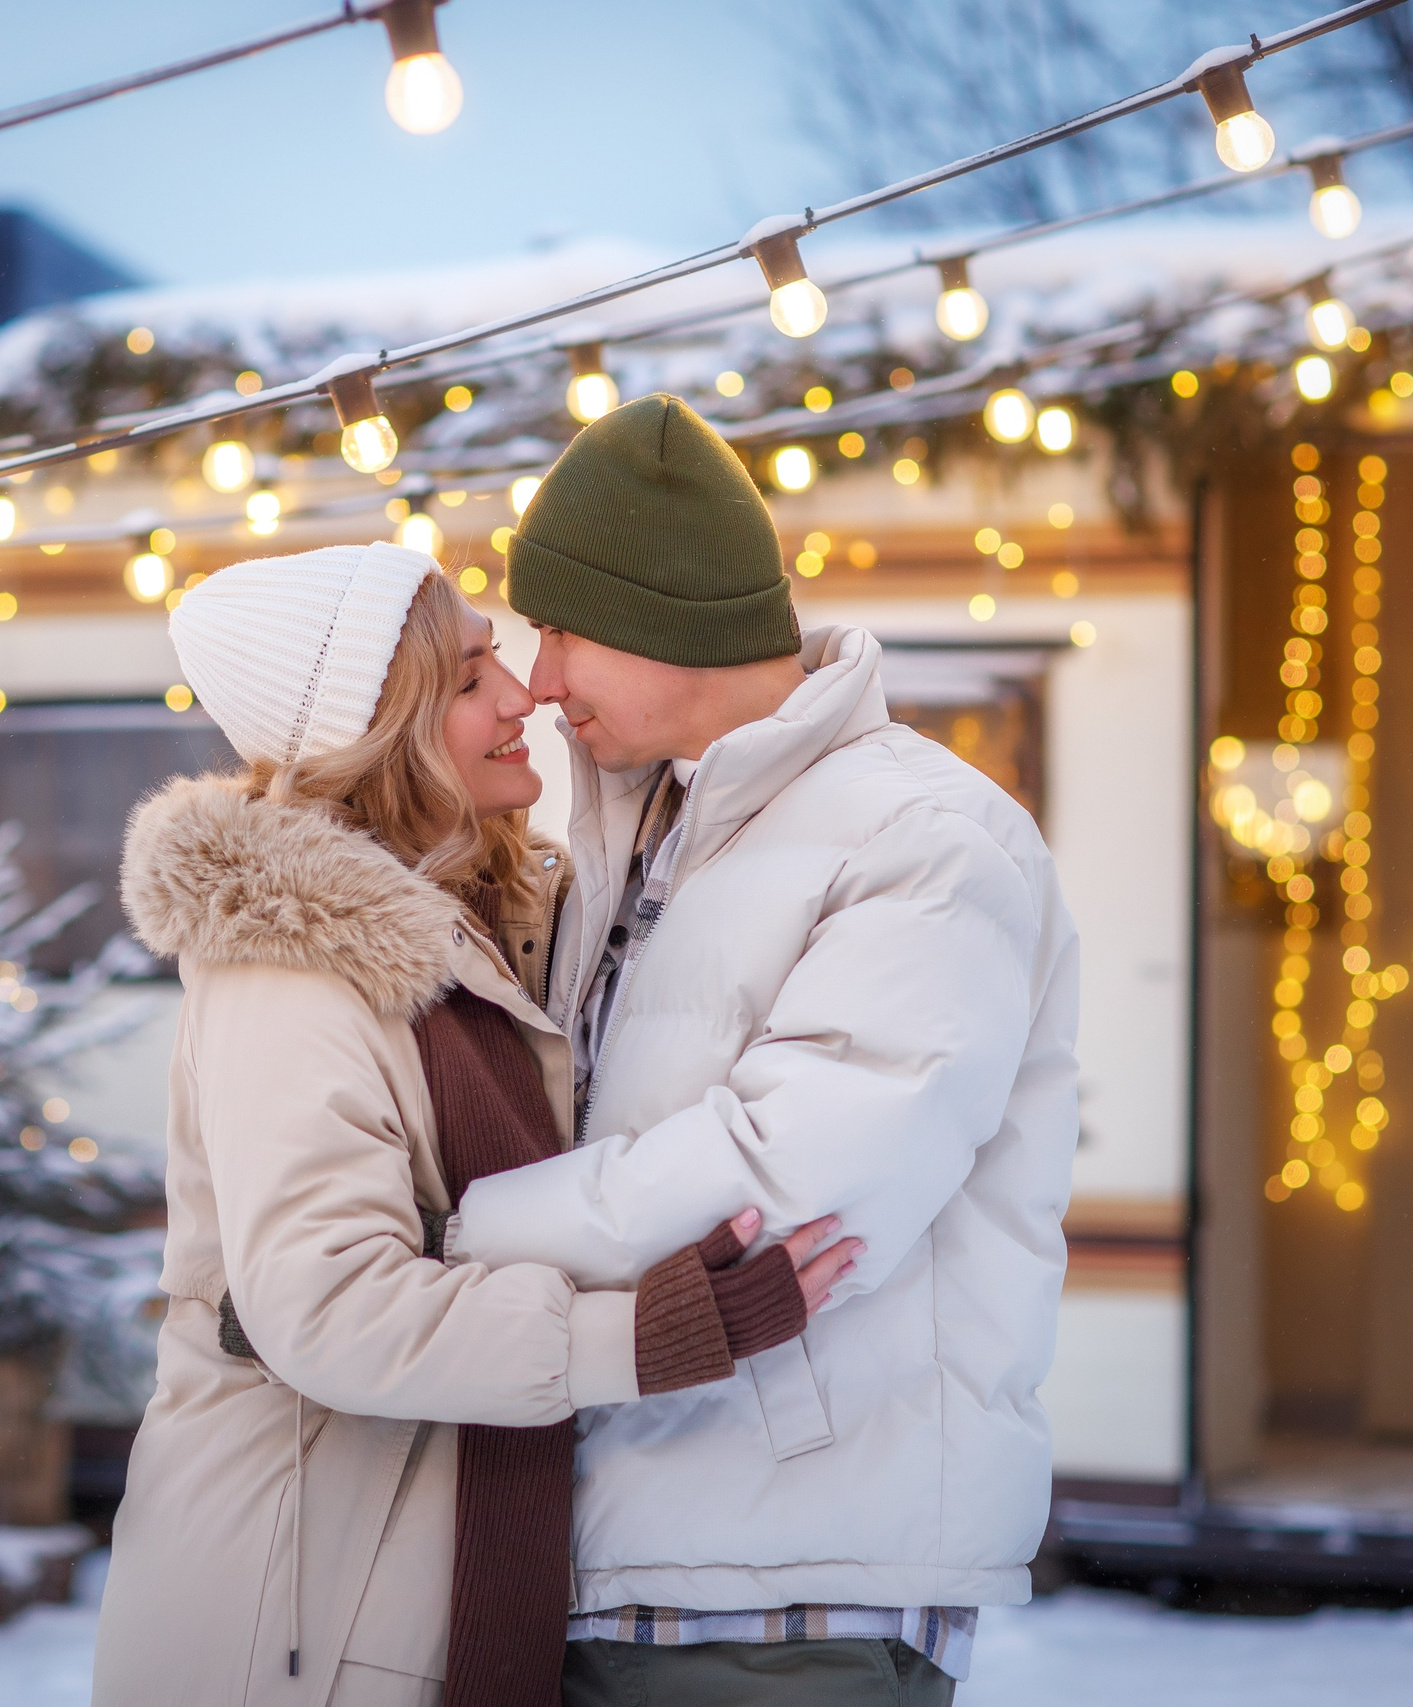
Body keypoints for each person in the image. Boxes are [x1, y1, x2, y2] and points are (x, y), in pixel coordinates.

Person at [92, 541, 859, 1707]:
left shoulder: (488, 928)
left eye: (496, 657)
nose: (520, 698)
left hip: (411, 1584)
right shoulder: (288, 970)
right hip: (296, 1619)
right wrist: (642, 1337)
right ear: (375, 735)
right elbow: (327, 1306)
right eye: (465, 681)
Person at [439, 395, 1083, 1707]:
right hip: (621, 1553)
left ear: (662, 616)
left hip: (796, 1590)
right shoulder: (642, 837)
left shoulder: (927, 838)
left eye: (560, 630)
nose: (540, 681)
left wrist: (441, 1243)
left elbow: (788, 1185)